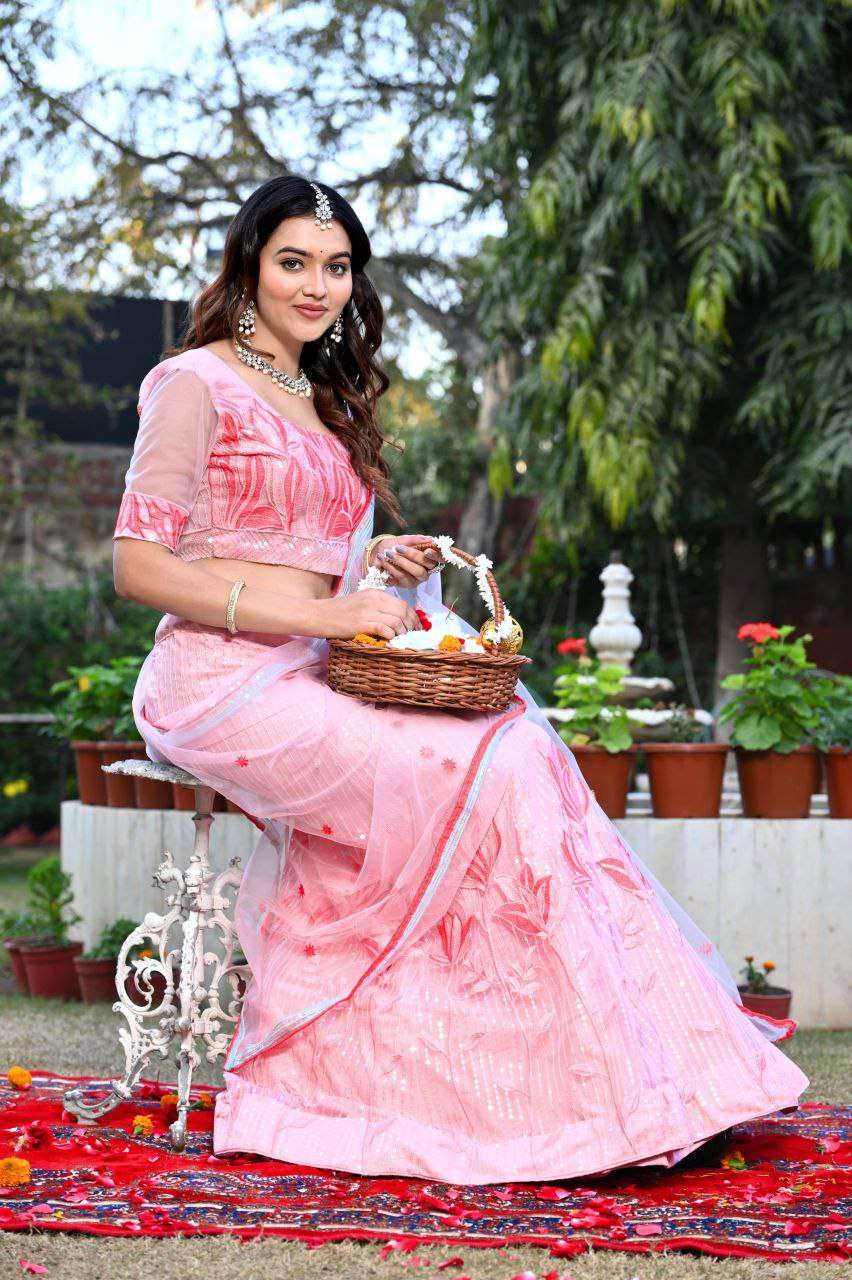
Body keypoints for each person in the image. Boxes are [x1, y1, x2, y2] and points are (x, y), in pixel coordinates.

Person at [113, 174, 808, 1186]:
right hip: (219, 679)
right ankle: (502, 1093)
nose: (316, 286)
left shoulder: (322, 398)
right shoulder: (191, 382)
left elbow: (305, 558)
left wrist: (376, 564)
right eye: (293, 262)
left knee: (520, 741)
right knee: (485, 771)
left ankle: (619, 1085)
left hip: (315, 665)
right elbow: (139, 566)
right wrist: (323, 614)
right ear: (249, 265)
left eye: (336, 267)